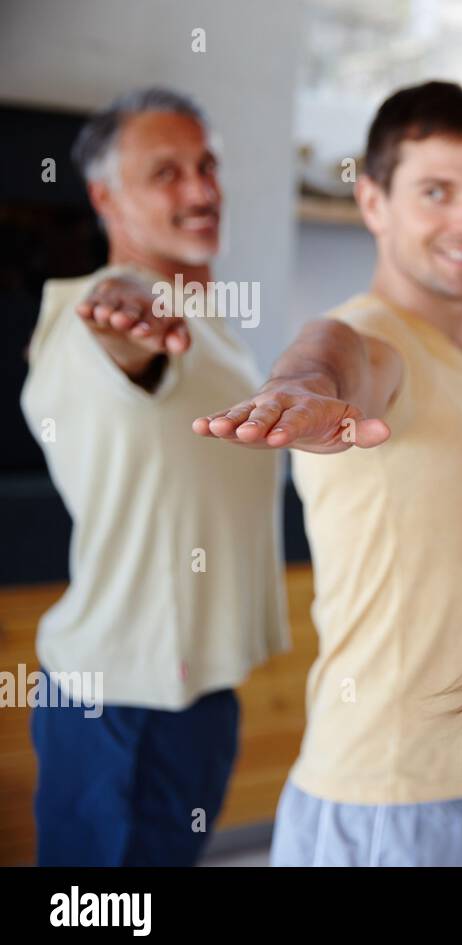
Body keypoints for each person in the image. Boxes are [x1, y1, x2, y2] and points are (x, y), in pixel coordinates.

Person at [193, 81, 462, 867]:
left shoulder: (460, 375)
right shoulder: (376, 340)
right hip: (387, 807)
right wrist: (305, 384)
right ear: (373, 202)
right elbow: (334, 349)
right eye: (435, 192)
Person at [19, 87, 290, 866]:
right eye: (165, 173)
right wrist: (127, 309)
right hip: (118, 702)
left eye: (206, 166)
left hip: (198, 693)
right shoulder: (87, 322)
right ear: (105, 197)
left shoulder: (209, 331)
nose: (201, 190)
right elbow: (119, 332)